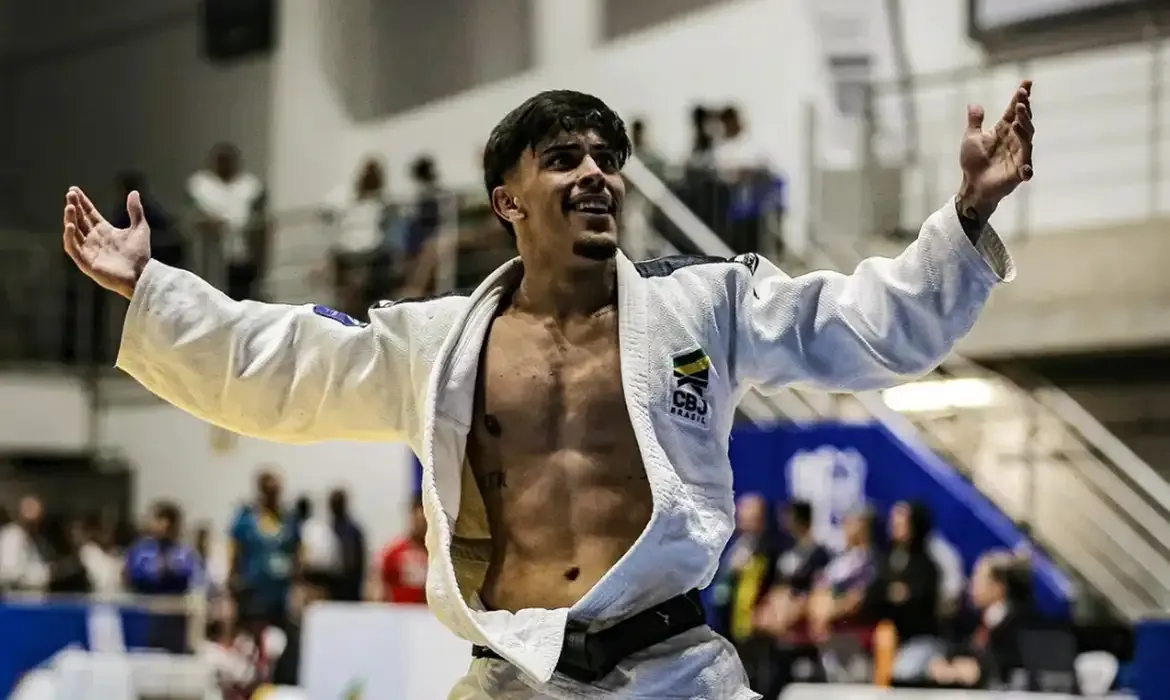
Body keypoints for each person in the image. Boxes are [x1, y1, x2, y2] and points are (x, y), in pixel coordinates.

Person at [62, 83, 1034, 699]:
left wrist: (967, 213)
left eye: (606, 158)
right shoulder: (440, 342)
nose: (595, 174)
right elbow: (282, 363)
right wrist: (150, 288)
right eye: (563, 158)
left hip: (676, 673)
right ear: (505, 200)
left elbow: (866, 324)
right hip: (518, 678)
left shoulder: (706, 304)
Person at [228, 471, 299, 628]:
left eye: (276, 490)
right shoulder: (246, 518)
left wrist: (297, 582)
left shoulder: (288, 519)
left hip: (280, 591)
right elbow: (236, 549)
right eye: (268, 490)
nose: (272, 495)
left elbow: (296, 551)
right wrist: (232, 578)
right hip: (252, 587)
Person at [380, 495, 428, 604]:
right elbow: (382, 587)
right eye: (418, 520)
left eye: (425, 521)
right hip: (400, 614)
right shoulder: (395, 552)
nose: (421, 525)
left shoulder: (440, 555)